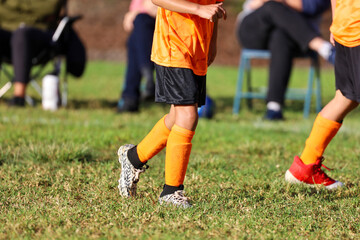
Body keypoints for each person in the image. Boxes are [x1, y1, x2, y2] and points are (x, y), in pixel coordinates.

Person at [117, 0, 226, 208]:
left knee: (177, 117)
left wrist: (213, 41)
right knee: (189, 115)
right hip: (173, 45)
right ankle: (171, 191)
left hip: (197, 46)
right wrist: (199, 9)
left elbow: (215, 7)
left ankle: (133, 158)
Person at [285, 0, 359, 189]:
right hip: (355, 27)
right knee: (345, 97)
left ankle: (305, 166)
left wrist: (335, 21)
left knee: (345, 98)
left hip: (346, 25)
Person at [237, 0, 334, 120]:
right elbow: (254, 4)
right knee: (272, 6)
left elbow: (313, 7)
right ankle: (323, 47)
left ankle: (274, 108)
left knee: (280, 36)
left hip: (293, 38)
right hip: (254, 30)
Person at [0, 0, 86, 107]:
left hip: (40, 39)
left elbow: (47, 10)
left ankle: (19, 96)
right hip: (7, 37)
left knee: (21, 34)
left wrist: (17, 13)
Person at [117, 0, 158, 113]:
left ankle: (129, 97)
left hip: (167, 24)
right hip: (145, 28)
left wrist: (135, 14)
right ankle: (148, 79)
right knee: (135, 36)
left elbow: (153, 8)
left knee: (140, 22)